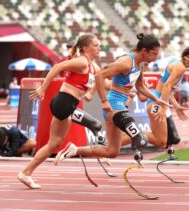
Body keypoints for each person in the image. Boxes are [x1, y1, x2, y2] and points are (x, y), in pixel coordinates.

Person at [55, 34, 171, 164]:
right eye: (154, 54)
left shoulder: (140, 64)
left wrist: (157, 99)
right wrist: (103, 101)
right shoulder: (126, 62)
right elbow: (99, 75)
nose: (155, 58)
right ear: (144, 51)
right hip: (114, 105)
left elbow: (140, 87)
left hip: (119, 105)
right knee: (141, 139)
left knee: (111, 151)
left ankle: (75, 150)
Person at [17, 33, 102, 189]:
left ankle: (26, 173)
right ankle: (81, 150)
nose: (99, 48)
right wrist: (43, 88)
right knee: (95, 125)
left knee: (54, 143)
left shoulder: (93, 66)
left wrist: (126, 90)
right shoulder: (81, 62)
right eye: (96, 45)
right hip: (64, 103)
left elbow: (103, 80)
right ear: (85, 48)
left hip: (66, 105)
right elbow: (57, 67)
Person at [121, 46, 189, 149]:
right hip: (157, 104)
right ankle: (115, 143)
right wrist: (163, 107)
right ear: (187, 57)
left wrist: (176, 106)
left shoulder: (177, 63)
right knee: (160, 141)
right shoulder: (180, 67)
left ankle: (125, 139)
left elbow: (167, 89)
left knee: (160, 141)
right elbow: (167, 86)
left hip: (155, 102)